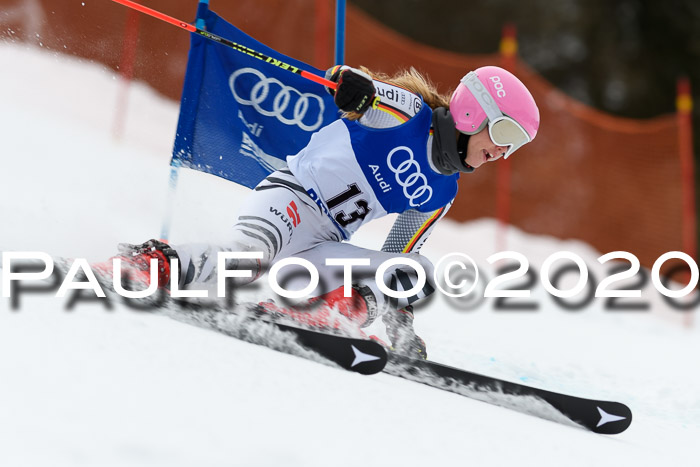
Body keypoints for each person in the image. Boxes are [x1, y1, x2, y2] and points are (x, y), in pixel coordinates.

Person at [111, 64, 540, 358]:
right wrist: (351, 86)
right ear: (471, 112)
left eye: (515, 145)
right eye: (503, 131)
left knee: (418, 270)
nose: (503, 151)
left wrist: (401, 330)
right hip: (292, 201)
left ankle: (325, 313)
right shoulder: (409, 115)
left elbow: (398, 261)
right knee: (247, 258)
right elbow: (356, 87)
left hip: (324, 245)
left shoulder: (442, 192)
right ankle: (151, 264)